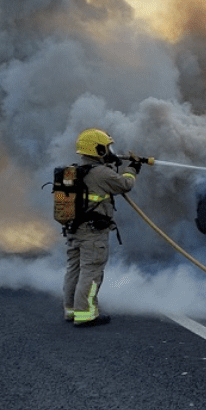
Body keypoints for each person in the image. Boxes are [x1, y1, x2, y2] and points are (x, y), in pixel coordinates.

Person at [63, 128, 148, 327]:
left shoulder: (73, 170)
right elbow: (125, 184)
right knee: (91, 271)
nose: (110, 150)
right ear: (98, 149)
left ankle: (71, 310)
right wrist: (133, 167)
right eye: (107, 147)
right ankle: (85, 314)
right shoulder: (101, 173)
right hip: (93, 232)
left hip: (73, 230)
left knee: (74, 269)